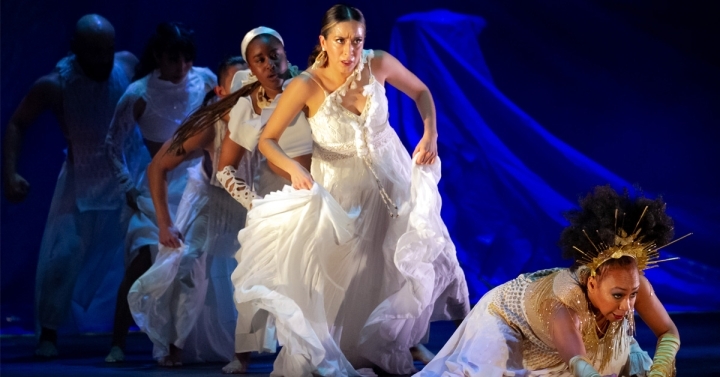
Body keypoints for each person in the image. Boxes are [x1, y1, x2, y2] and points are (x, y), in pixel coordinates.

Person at [235, 4, 470, 375]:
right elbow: (268, 141)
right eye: (341, 41)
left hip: (392, 180)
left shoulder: (377, 64)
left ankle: (447, 342)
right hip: (342, 194)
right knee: (351, 273)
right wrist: (294, 168)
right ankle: (351, 349)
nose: (349, 51)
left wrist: (431, 134)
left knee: (412, 258)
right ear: (323, 42)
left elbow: (422, 92)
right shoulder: (306, 84)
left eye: (356, 41)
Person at [416, 185, 682, 377]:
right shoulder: (564, 304)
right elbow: (579, 365)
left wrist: (660, 369)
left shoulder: (634, 284)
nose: (627, 307)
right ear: (591, 283)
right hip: (510, 321)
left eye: (632, 294)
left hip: (570, 343)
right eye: (617, 295)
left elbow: (668, 332)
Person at [2, 14, 138, 357]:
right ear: (76, 50)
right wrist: (10, 174)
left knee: (140, 253)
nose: (104, 57)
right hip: (83, 181)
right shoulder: (55, 84)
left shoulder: (126, 64)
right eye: (94, 51)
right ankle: (48, 333)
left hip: (127, 176)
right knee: (62, 256)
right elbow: (17, 124)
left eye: (107, 48)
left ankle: (138, 336)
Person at [123, 56, 249, 367]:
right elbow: (157, 167)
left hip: (246, 202)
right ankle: (173, 344)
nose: (247, 89)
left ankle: (246, 350)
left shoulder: (272, 116)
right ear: (221, 91)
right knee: (188, 268)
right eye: (238, 84)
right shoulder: (208, 126)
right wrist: (165, 224)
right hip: (207, 197)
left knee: (253, 270)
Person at [103, 21, 216, 363]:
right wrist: (126, 186)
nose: (181, 67)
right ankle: (118, 342)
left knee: (192, 269)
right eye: (173, 59)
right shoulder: (139, 93)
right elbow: (113, 143)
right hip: (158, 187)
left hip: (196, 185)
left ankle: (180, 343)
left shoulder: (206, 79)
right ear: (157, 56)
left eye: (186, 59)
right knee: (141, 262)